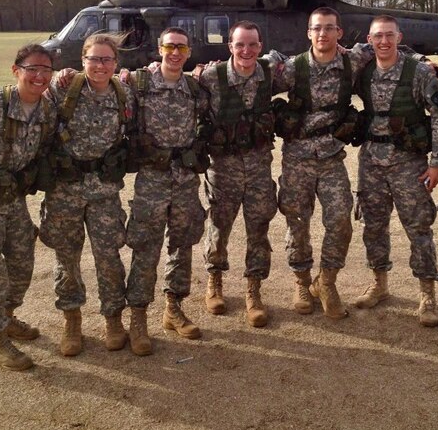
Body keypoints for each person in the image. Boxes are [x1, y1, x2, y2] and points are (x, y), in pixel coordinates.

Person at [273, 7, 378, 318]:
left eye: (329, 28)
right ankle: (302, 282)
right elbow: (252, 75)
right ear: (308, 33)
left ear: (339, 33)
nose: (323, 34)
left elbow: (391, 46)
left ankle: (327, 282)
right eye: (317, 28)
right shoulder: (293, 68)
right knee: (297, 221)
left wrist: (428, 64)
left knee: (340, 220)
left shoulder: (353, 60)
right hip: (298, 158)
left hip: (332, 158)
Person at [353, 15, 438, 325]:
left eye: (389, 36)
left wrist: (437, 163)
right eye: (377, 36)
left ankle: (427, 294)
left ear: (400, 37)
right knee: (373, 226)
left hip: (408, 162)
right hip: (371, 160)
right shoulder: (363, 71)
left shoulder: (419, 72)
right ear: (369, 40)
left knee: (418, 228)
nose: (383, 41)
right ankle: (379, 284)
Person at [39, 35, 134, 356]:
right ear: (82, 61)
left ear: (116, 63)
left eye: (107, 59)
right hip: (65, 190)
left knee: (109, 258)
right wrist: (56, 75)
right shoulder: (64, 89)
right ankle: (72, 320)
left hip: (104, 192)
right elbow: (37, 97)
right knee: (67, 259)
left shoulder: (124, 94)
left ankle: (113, 319)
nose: (100, 65)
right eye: (94, 59)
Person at [0, 44, 56, 370]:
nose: (39, 75)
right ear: (15, 70)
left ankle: (5, 317)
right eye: (32, 68)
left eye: (46, 70)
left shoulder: (45, 112)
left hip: (13, 201)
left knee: (22, 262)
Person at [124, 28, 208, 354]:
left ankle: (173, 308)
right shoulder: (138, 84)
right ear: (160, 49)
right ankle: (138, 317)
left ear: (189, 52)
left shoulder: (196, 88)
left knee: (182, 245)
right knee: (146, 248)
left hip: (186, 178)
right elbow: (101, 84)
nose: (175, 53)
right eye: (170, 46)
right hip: (152, 179)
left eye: (181, 48)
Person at [197, 21, 278, 327]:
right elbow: (174, 80)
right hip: (224, 170)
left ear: (261, 46)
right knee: (219, 229)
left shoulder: (270, 74)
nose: (247, 51)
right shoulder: (210, 77)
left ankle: (254, 291)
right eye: (240, 45)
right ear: (229, 46)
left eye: (253, 45)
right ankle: (214, 282)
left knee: (259, 230)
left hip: (258, 169)